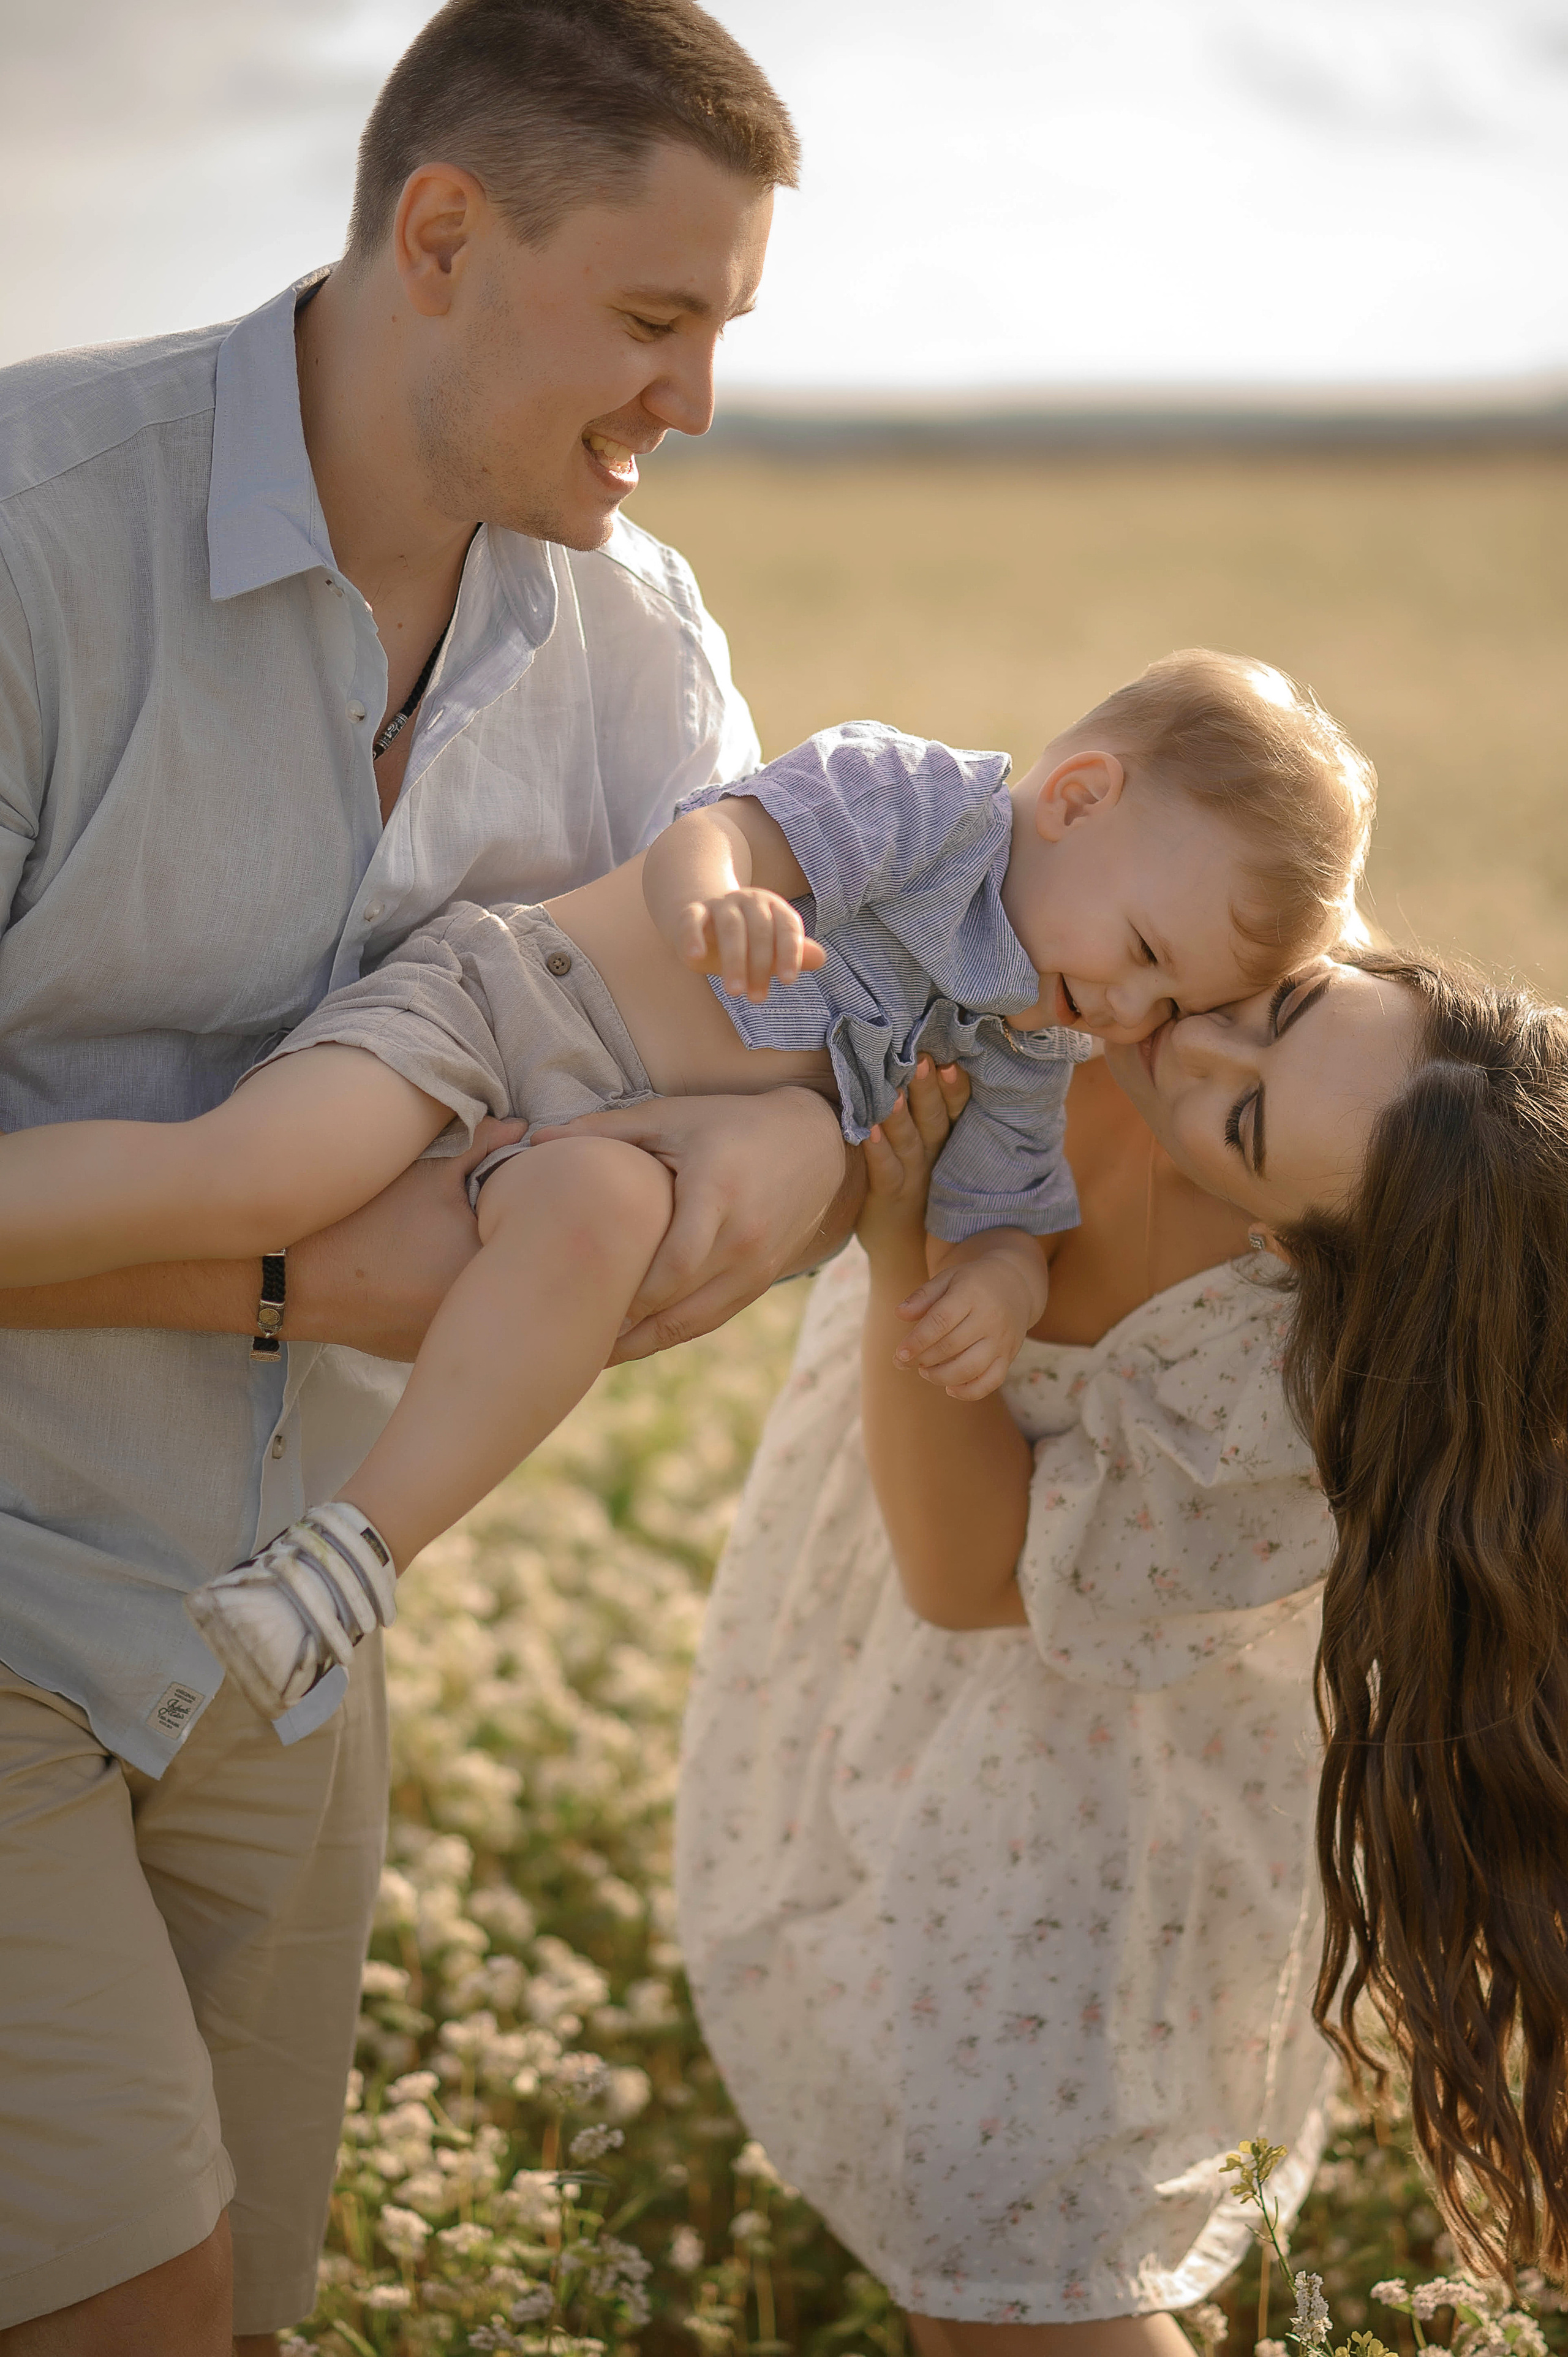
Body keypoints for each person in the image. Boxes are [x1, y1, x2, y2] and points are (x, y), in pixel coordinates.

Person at [0, 3, 839, 2347]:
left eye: (725, 331)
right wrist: (308, 1268)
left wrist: (752, 1173)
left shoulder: (636, 634)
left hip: (288, 1641)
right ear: (442, 238)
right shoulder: (28, 537)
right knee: (132, 2302)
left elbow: (802, 1093)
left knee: (245, 2307)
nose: (697, 403)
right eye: (657, 321)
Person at [0, 652, 1374, 1722]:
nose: (1133, 1010)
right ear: (1075, 798)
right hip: (507, 1013)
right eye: (1141, 949)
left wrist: (1003, 1284)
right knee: (262, 1180)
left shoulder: (1036, 1035)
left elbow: (999, 1211)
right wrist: (715, 903)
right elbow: (712, 842)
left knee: (595, 1235)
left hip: (598, 1146)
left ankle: (352, 1557)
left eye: (1171, 993)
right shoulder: (920, 802)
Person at [680, 944, 1568, 2346]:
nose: (1199, 1054)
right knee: (974, 2267)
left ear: (1285, 1243)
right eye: (1286, 1005)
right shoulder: (1186, 949)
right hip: (900, 1726)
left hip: (1083, 1824)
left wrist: (906, 1231)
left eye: (1243, 1124)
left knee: (1018, 2269)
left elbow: (967, 1571)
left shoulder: (1265, 1381)